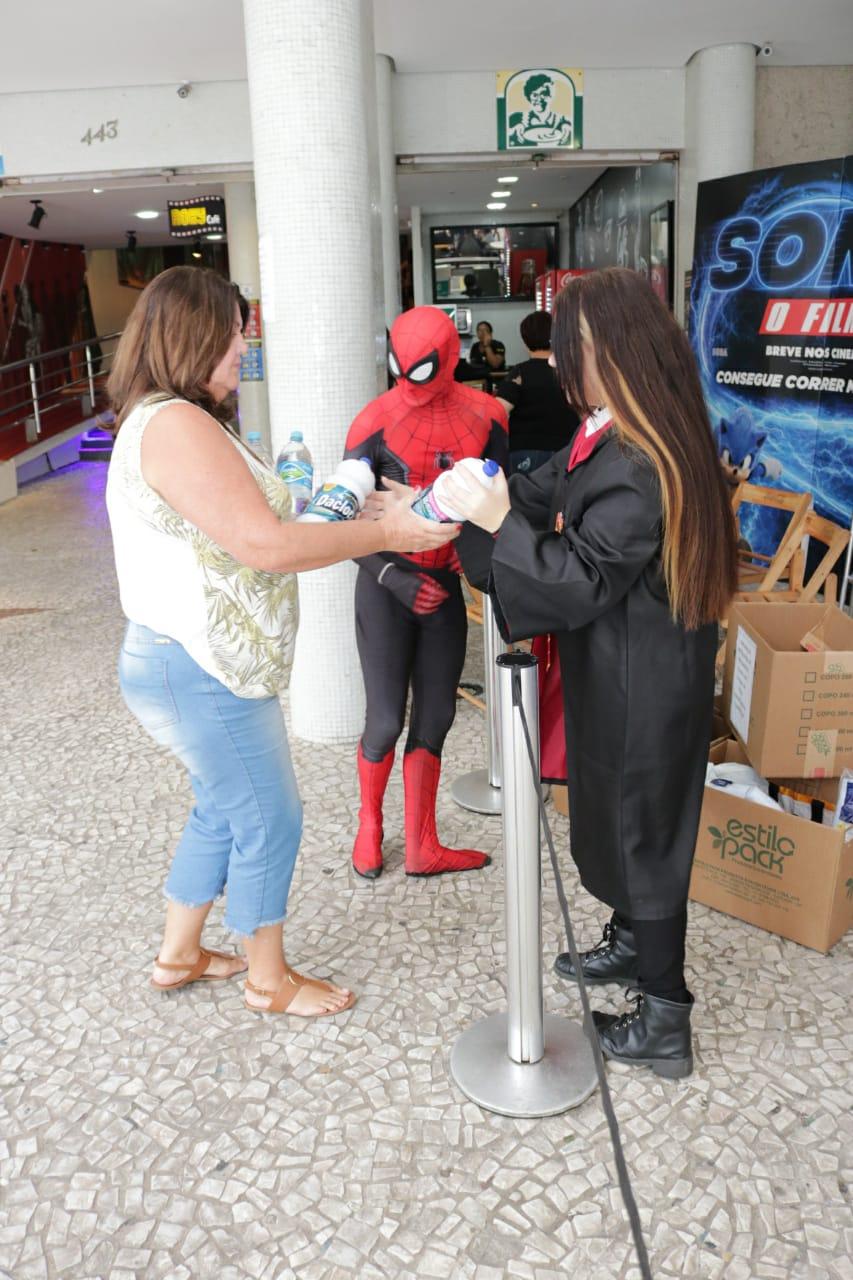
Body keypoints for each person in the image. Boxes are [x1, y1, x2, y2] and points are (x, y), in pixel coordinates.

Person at [105, 267, 457, 1019]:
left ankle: (179, 954)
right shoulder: (174, 424)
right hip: (200, 667)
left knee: (220, 806)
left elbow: (244, 526)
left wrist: (331, 503)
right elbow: (264, 546)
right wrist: (389, 531)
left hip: (181, 658)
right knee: (270, 815)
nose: (244, 345)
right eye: (235, 331)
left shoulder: (169, 417)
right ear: (196, 333)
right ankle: (269, 979)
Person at [441, 268, 738, 1079]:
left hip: (646, 680)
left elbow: (580, 578)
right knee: (613, 815)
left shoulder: (642, 458)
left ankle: (664, 1021)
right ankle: (633, 943)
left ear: (609, 352)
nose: (565, 367)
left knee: (644, 836)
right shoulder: (613, 431)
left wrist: (495, 521)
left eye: (572, 350)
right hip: (621, 667)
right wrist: (469, 495)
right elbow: (547, 490)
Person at [342, 306, 508, 880]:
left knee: (435, 715)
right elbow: (341, 526)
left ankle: (422, 844)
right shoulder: (373, 422)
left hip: (442, 589)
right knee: (385, 718)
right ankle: (369, 827)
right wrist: (396, 577)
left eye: (420, 372)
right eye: (400, 370)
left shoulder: (487, 418)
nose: (407, 388)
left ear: (449, 360)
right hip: (386, 587)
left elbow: (498, 502)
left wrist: (470, 560)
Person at [496, 309, 580, 475]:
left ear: (525, 340)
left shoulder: (520, 373)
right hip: (567, 450)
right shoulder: (570, 371)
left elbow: (498, 411)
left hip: (525, 450)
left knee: (525, 499)